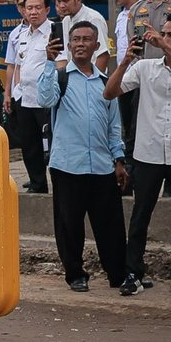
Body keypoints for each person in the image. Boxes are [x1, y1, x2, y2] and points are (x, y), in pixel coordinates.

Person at [105, 12, 171, 298]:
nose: (164, 39)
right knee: (141, 215)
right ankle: (133, 273)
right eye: (163, 34)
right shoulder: (145, 67)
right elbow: (109, 92)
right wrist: (126, 60)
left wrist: (164, 48)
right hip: (148, 152)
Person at [38, 22, 128, 293]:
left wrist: (119, 160)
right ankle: (75, 274)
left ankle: (118, 274)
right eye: (75, 39)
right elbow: (45, 100)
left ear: (96, 45)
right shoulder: (61, 76)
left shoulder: (105, 82)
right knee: (69, 225)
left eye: (86, 39)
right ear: (68, 44)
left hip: (101, 165)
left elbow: (114, 125)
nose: (80, 44)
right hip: (67, 165)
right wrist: (48, 63)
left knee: (110, 225)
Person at [4, 0, 55, 194]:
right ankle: (37, 183)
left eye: (38, 8)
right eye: (29, 8)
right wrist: (12, 92)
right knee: (29, 144)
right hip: (24, 98)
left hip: (45, 98)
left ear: (47, 9)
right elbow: (16, 65)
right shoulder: (20, 35)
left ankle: (58, 181)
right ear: (23, 11)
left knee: (52, 143)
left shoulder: (55, 32)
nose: (33, 12)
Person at [111, 0, 139, 183]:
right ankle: (128, 165)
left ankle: (135, 166)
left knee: (137, 125)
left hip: (138, 74)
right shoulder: (121, 16)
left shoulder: (142, 10)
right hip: (123, 76)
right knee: (126, 123)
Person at [54, 0, 109, 73]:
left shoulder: (93, 18)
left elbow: (103, 55)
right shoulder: (66, 20)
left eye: (65, 1)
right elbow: (63, 55)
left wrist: (95, 81)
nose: (61, 6)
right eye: (59, 2)